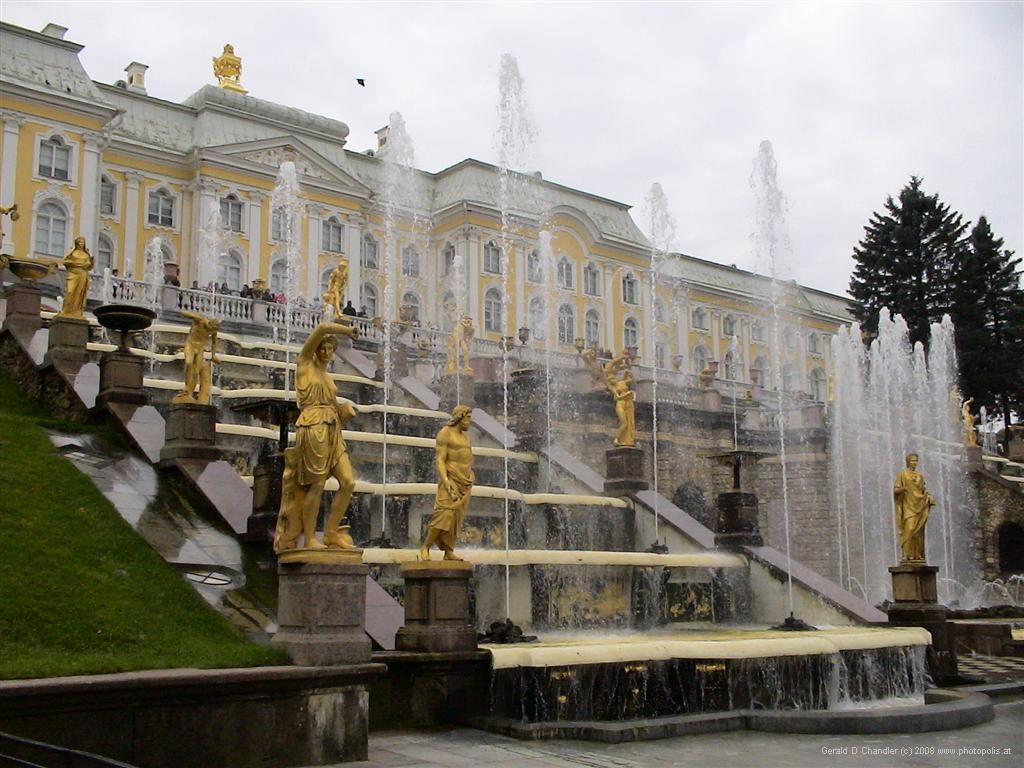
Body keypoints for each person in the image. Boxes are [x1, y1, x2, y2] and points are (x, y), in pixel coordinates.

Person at [293, 320, 361, 550]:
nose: (325, 352)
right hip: (313, 426)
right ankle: (311, 537)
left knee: (348, 482)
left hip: (333, 429)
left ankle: (331, 532)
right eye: (322, 348)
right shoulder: (304, 365)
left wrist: (344, 411)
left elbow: (332, 407)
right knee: (316, 485)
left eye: (330, 348)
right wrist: (347, 332)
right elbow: (322, 327)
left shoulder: (329, 378)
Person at [420, 405, 474, 561]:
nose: (470, 422)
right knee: (443, 515)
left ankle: (448, 551)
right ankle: (426, 547)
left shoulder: (466, 438)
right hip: (450, 480)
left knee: (456, 519)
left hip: (465, 482)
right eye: (468, 418)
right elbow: (440, 460)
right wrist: (445, 481)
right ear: (459, 417)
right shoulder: (445, 433)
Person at [893, 452, 935, 563]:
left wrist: (929, 497)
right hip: (908, 506)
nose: (914, 463)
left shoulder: (920, 476)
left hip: (920, 506)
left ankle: (917, 556)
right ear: (908, 461)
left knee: (918, 533)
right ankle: (906, 555)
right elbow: (896, 490)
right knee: (909, 529)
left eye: (916, 460)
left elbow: (923, 490)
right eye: (912, 460)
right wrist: (903, 489)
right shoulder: (902, 474)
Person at [172, 311, 221, 405]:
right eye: (211, 328)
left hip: (200, 348)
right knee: (189, 363)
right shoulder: (200, 321)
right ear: (209, 323)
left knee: (196, 372)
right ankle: (186, 387)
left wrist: (213, 355)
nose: (211, 331)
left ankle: (189, 393)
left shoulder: (214, 330)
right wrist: (192, 315)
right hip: (190, 344)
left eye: (214, 329)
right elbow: (185, 313)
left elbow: (214, 342)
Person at [603, 353, 636, 446]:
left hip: (627, 404)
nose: (613, 377)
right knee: (624, 423)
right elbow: (617, 397)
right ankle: (616, 440)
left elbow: (632, 379)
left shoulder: (622, 382)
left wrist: (628, 369)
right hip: (620, 404)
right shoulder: (612, 386)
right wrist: (621, 357)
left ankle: (625, 440)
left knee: (629, 424)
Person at [57, 236, 93, 319]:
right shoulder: (72, 253)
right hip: (73, 273)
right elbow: (65, 262)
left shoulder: (86, 255)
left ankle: (76, 311)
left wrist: (78, 264)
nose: (81, 244)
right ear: (77, 243)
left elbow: (89, 265)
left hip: (82, 274)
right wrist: (77, 264)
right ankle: (66, 310)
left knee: (79, 293)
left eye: (83, 242)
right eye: (80, 242)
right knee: (70, 291)